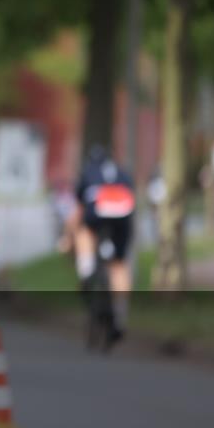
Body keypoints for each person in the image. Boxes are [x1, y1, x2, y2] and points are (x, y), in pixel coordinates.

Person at [73, 144, 135, 345]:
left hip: (97, 209)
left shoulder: (87, 173)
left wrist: (68, 237)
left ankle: (86, 269)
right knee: (119, 264)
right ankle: (120, 315)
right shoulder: (122, 173)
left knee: (85, 232)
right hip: (123, 212)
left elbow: (78, 208)